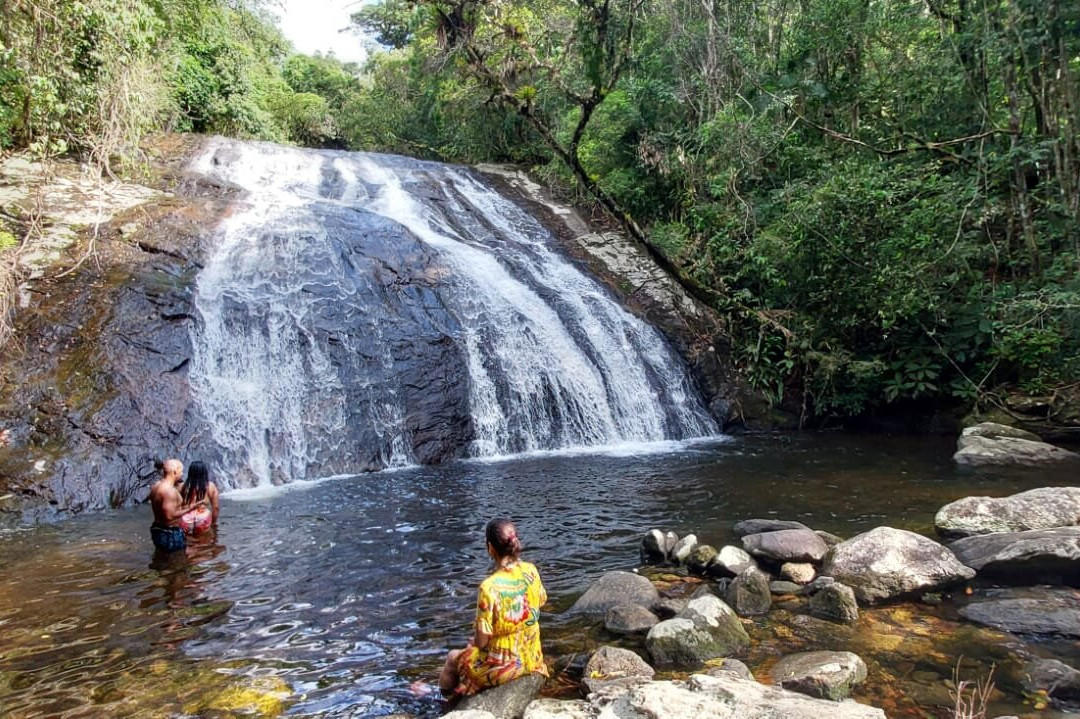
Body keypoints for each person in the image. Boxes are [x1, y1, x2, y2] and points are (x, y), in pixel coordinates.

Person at [439, 518, 548, 698]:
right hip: (533, 657)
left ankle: (444, 703)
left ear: (490, 548)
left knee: (453, 657)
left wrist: (475, 642)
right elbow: (541, 601)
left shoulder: (489, 587)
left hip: (505, 666)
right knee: (468, 653)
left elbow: (482, 642)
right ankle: (463, 691)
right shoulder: (531, 570)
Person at [148, 458, 190, 552]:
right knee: (176, 561)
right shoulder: (169, 491)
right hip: (170, 533)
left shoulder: (155, 486)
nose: (182, 474)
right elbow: (169, 516)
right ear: (174, 472)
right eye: (181, 471)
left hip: (158, 530)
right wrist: (191, 508)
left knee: (161, 557)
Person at [179, 460, 219, 535]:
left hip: (186, 516)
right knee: (203, 541)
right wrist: (213, 522)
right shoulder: (211, 486)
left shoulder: (182, 486)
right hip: (202, 516)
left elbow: (176, 505)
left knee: (187, 541)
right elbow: (216, 507)